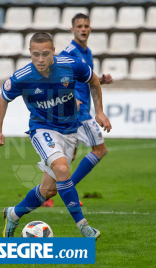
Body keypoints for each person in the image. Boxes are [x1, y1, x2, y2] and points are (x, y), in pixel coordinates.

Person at [0, 32, 112, 239]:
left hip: (70, 130)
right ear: (29, 52)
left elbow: (93, 81)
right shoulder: (22, 77)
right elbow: (3, 99)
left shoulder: (71, 66)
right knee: (63, 169)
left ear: (53, 51)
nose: (40, 59)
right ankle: (84, 228)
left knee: (49, 190)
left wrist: (99, 110)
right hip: (42, 129)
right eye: (35, 54)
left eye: (45, 54)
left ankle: (13, 214)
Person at [43, 13, 114, 208]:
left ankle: (46, 196)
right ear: (72, 29)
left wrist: (101, 81)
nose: (83, 29)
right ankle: (68, 191)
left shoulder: (87, 52)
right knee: (100, 150)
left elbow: (86, 80)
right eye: (79, 26)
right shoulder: (69, 53)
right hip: (77, 112)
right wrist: (70, 97)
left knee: (67, 157)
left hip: (80, 109)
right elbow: (54, 75)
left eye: (86, 26)